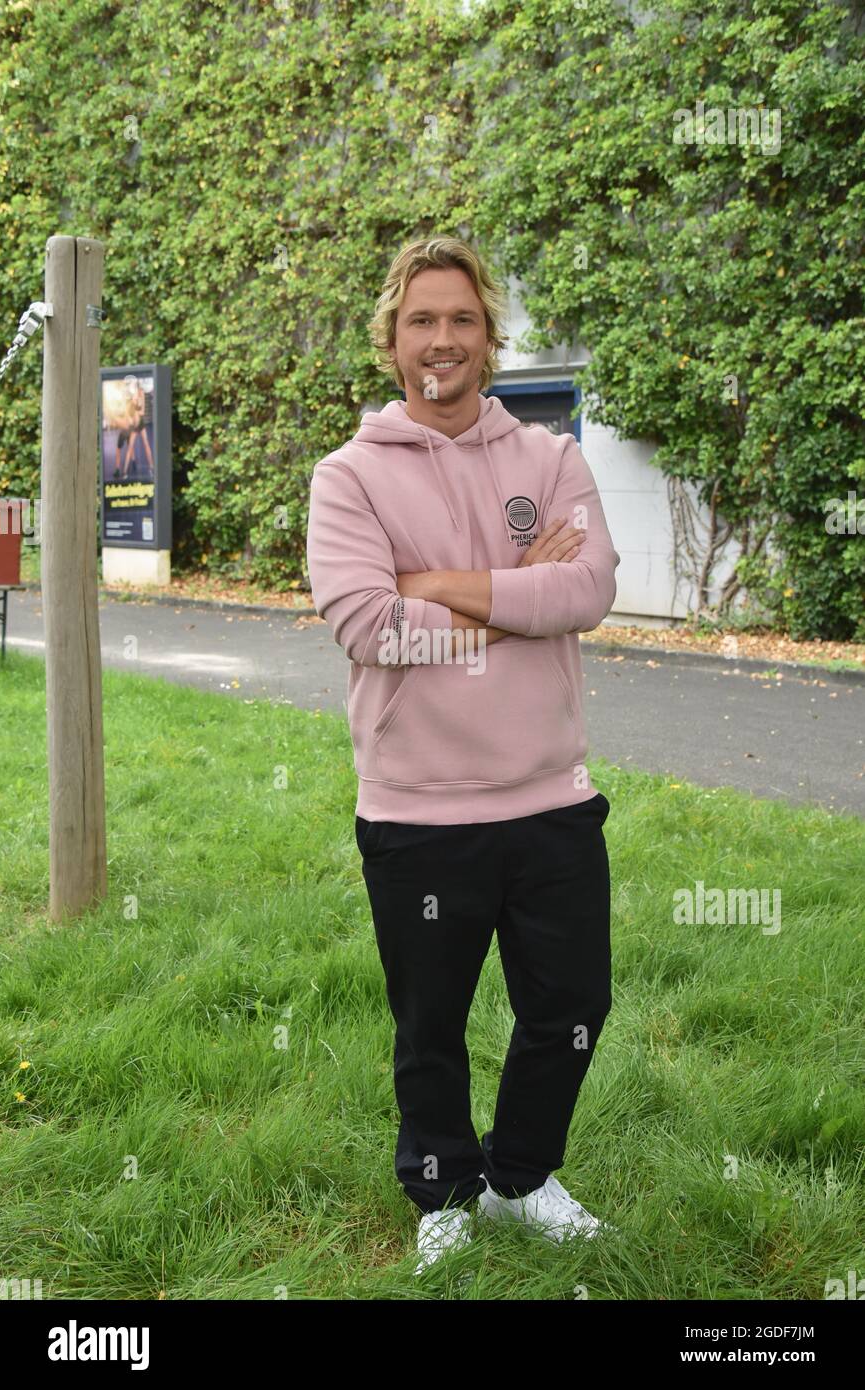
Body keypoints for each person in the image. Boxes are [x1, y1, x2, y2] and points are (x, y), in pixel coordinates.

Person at [305, 235, 621, 1274]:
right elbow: (368, 624)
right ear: (393, 341)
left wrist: (436, 582)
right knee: (429, 1020)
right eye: (421, 321)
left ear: (490, 337)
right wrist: (502, 591)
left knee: (571, 1005)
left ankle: (524, 1176)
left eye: (463, 320)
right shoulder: (348, 477)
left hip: (550, 799)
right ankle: (443, 1188)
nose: (443, 339)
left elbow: (584, 592)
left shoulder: (551, 458)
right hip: (418, 808)